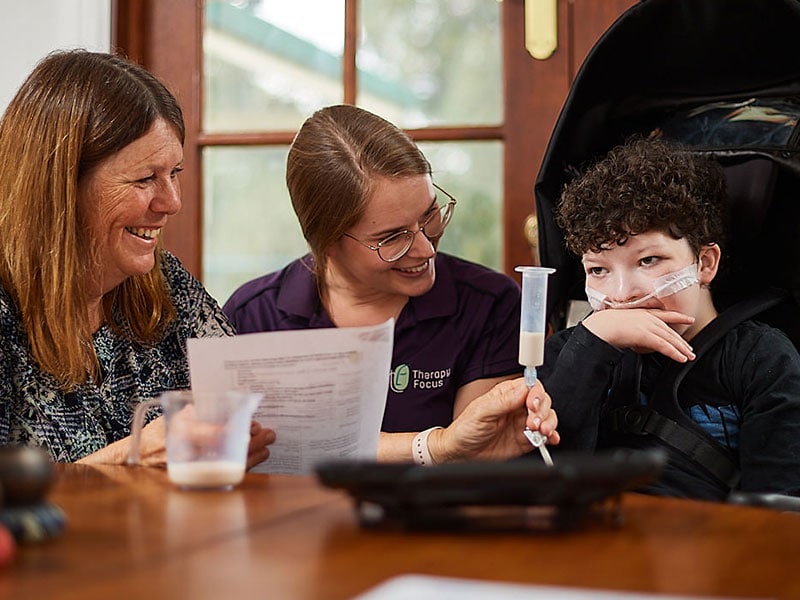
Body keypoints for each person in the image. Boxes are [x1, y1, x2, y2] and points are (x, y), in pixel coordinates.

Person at [224, 104, 559, 464]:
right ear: (325, 243)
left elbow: (468, 460)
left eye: (430, 214)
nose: (425, 247)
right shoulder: (253, 317)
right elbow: (238, 457)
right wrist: (432, 446)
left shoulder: (490, 305)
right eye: (392, 238)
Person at [0, 50, 275, 468]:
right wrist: (130, 458)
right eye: (146, 179)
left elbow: (247, 408)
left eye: (175, 174)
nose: (172, 202)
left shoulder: (165, 284)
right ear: (61, 185)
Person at [539, 136, 800, 500]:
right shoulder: (568, 351)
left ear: (705, 263)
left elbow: (780, 506)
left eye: (649, 261)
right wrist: (590, 346)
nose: (621, 293)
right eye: (598, 270)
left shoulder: (760, 358)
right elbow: (545, 475)